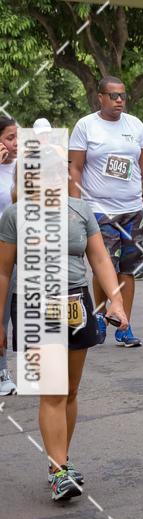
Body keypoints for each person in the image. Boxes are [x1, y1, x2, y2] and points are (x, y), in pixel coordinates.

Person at [0, 195, 128, 501]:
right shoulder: (16, 214)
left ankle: (60, 463)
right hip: (34, 304)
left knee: (70, 389)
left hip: (75, 303)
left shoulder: (80, 209)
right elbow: (3, 271)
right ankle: (59, 472)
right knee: (53, 391)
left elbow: (100, 259)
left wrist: (116, 300)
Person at [68, 76, 143, 348]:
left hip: (132, 210)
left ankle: (124, 324)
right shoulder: (86, 126)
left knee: (128, 270)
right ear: (100, 97)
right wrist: (75, 208)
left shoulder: (134, 125)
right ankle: (100, 315)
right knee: (104, 267)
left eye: (122, 95)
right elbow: (75, 168)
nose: (119, 100)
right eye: (113, 96)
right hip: (98, 211)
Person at [0, 116, 18, 395]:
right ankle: (2, 369)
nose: (16, 144)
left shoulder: (23, 167)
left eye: (18, 138)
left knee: (25, 308)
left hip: (24, 246)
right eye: (10, 138)